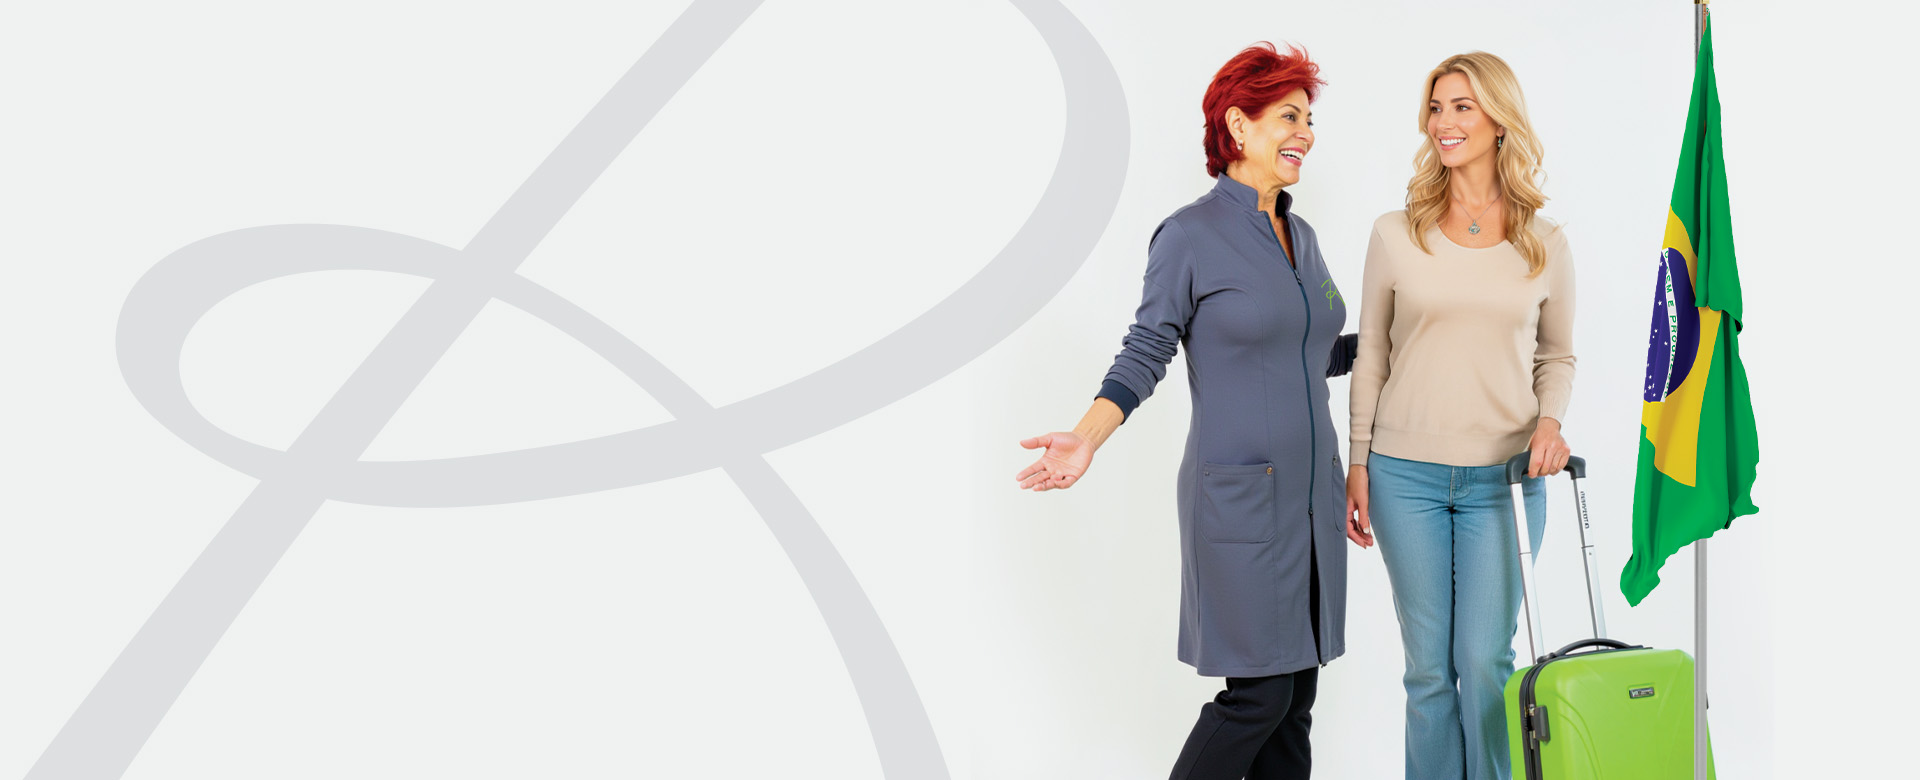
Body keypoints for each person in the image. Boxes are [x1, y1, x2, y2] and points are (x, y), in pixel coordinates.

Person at [1016, 42, 1358, 780]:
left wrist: (1398, 340)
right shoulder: (1190, 236)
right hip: (1239, 499)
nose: (1305, 133)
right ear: (1238, 124)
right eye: (1289, 116)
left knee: (1296, 699)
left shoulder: (1301, 237)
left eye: (1309, 119)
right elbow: (1147, 348)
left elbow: (1310, 352)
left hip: (1311, 499)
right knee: (1259, 696)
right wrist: (1087, 436)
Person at [1343, 51, 1576, 780]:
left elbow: (1557, 356)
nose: (1443, 122)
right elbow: (1372, 354)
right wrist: (1357, 462)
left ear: (1500, 122)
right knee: (1428, 670)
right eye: (1436, 108)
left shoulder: (1544, 241)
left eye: (1462, 107)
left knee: (1484, 661)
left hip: (1504, 482)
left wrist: (1549, 421)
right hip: (1402, 476)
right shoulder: (1395, 233)